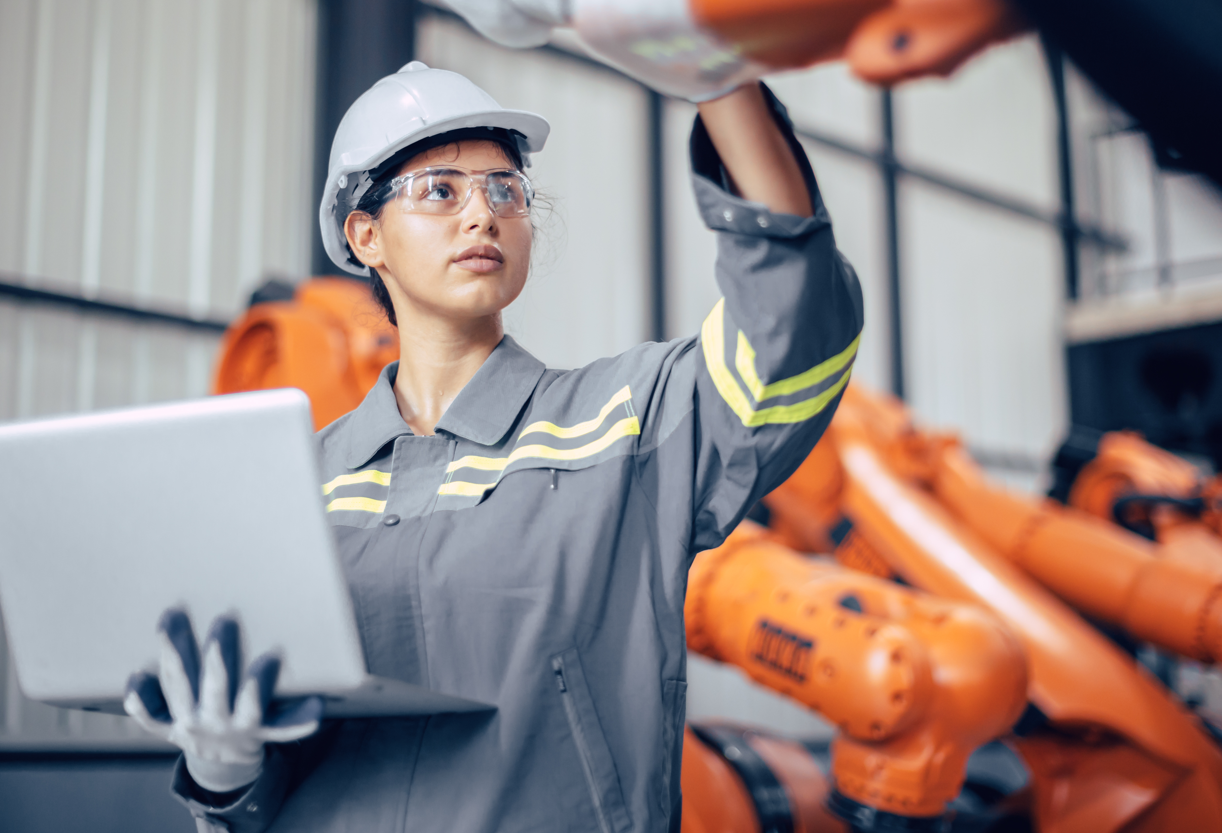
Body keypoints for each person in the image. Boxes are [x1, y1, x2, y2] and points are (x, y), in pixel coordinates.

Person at [124, 61, 863, 832]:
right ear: (365, 234)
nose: (482, 213)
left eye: (504, 189)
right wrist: (226, 772)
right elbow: (266, 787)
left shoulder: (625, 424)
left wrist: (720, 81)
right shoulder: (298, 485)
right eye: (441, 189)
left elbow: (790, 328)